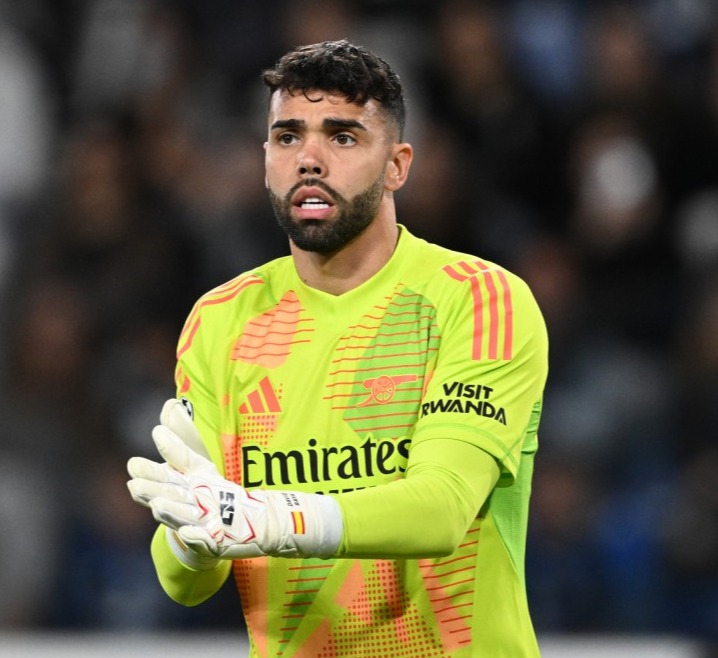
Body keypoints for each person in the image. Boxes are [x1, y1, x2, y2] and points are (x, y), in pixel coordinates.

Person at [127, 39, 549, 657]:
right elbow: (184, 583)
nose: (310, 159)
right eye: (288, 136)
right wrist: (192, 536)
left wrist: (270, 519)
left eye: (343, 137)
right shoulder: (221, 320)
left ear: (398, 165)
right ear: (265, 157)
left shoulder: (480, 301)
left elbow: (441, 508)